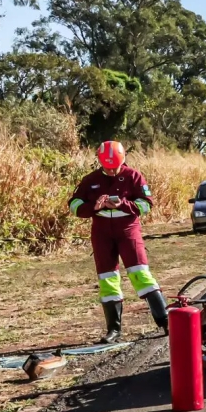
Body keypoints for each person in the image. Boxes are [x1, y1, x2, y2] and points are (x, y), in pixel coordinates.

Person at [67, 141, 169, 343]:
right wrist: (94, 207)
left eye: (116, 167)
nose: (112, 171)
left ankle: (165, 321)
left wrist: (123, 204)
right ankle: (114, 330)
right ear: (100, 162)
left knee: (141, 273)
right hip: (101, 233)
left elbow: (146, 205)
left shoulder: (134, 176)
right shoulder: (90, 180)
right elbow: (74, 205)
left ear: (123, 160)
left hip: (128, 230)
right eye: (108, 168)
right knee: (107, 278)